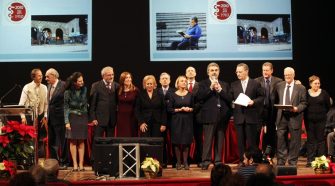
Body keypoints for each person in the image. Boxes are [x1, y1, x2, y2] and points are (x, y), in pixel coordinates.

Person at [197, 62, 232, 170]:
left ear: (219, 72)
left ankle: (217, 161)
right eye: (212, 70)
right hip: (208, 116)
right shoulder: (203, 83)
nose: (214, 72)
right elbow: (199, 97)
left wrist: (220, 90)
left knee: (220, 140)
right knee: (208, 140)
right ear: (208, 72)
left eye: (216, 70)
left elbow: (230, 98)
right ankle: (206, 161)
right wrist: (210, 88)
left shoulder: (225, 84)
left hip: (222, 116)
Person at [230, 63, 264, 166]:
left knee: (251, 142)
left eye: (240, 72)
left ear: (246, 71)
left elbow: (262, 97)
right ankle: (242, 161)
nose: (238, 74)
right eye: (237, 72)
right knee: (240, 142)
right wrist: (232, 103)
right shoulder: (234, 84)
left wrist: (253, 102)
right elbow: (230, 98)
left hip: (251, 118)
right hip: (239, 117)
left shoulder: (255, 83)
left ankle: (252, 161)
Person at [275, 67, 307, 166]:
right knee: (280, 139)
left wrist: (297, 108)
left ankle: (292, 162)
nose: (287, 77)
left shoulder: (301, 87)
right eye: (285, 75)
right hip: (282, 116)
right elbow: (276, 99)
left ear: (293, 75)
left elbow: (304, 103)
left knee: (295, 141)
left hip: (295, 116)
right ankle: (281, 161)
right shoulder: (279, 86)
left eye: (289, 75)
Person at [255, 62, 283, 160]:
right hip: (260, 113)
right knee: (259, 134)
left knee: (271, 134)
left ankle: (271, 154)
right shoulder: (256, 81)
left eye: (267, 70)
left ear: (272, 70)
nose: (265, 72)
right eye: (263, 70)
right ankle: (259, 154)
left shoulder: (279, 81)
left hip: (273, 112)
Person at [19, 68, 48, 158]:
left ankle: (39, 157)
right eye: (39, 75)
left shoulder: (44, 87)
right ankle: (29, 157)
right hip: (29, 116)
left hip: (40, 116)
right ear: (33, 77)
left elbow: (46, 103)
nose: (41, 77)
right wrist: (23, 116)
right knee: (29, 138)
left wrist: (45, 116)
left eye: (41, 75)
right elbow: (21, 104)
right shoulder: (27, 87)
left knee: (40, 138)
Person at [167, 76, 194, 170]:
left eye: (185, 81)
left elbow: (194, 107)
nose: (184, 82)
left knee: (186, 142)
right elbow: (169, 109)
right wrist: (179, 109)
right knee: (177, 142)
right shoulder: (172, 95)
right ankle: (178, 162)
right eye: (182, 81)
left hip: (187, 120)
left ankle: (186, 162)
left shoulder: (190, 94)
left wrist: (190, 109)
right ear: (177, 83)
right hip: (176, 120)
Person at [304, 75, 331, 167]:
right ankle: (310, 160)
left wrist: (321, 115)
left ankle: (321, 160)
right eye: (315, 83)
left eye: (319, 83)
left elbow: (328, 106)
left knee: (320, 140)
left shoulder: (324, 93)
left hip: (321, 120)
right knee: (310, 140)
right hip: (309, 120)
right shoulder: (306, 93)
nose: (317, 85)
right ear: (310, 84)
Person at [64, 72, 88, 171]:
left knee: (81, 141)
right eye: (79, 81)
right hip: (72, 117)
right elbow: (65, 107)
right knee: (73, 141)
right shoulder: (67, 92)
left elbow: (85, 103)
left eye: (82, 80)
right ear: (74, 82)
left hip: (82, 117)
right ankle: (74, 164)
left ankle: (81, 164)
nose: (82, 82)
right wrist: (66, 122)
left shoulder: (85, 90)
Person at [45, 68, 69, 169]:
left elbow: (67, 103)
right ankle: (54, 163)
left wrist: (67, 119)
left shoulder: (64, 85)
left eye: (47, 76)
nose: (46, 79)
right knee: (52, 142)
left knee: (62, 141)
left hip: (60, 118)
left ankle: (64, 162)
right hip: (51, 118)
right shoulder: (49, 85)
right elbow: (49, 103)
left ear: (54, 76)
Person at [90, 66, 119, 137]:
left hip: (112, 120)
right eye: (109, 75)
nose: (111, 77)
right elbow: (92, 103)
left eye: (112, 74)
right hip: (99, 120)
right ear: (103, 76)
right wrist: (93, 118)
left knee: (110, 142)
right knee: (97, 142)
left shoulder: (117, 86)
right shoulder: (96, 85)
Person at [157, 72, 175, 168]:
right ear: (159, 81)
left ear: (170, 80)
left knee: (173, 141)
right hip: (161, 121)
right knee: (162, 142)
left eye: (166, 78)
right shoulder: (156, 91)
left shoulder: (174, 91)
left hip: (172, 120)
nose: (164, 80)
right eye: (163, 78)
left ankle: (174, 161)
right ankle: (163, 161)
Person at [185, 66, 201, 166]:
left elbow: (201, 101)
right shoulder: (181, 84)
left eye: (192, 71)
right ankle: (186, 160)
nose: (190, 72)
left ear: (195, 73)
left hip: (197, 116)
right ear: (186, 74)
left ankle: (199, 159)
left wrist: (193, 109)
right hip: (184, 117)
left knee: (199, 139)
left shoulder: (200, 85)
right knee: (185, 139)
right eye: (188, 71)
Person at [116, 72, 139, 137]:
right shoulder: (118, 90)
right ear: (122, 80)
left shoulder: (136, 90)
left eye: (129, 77)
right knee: (122, 136)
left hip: (132, 117)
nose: (129, 79)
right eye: (126, 78)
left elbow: (138, 105)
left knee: (131, 135)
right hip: (121, 118)